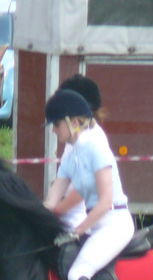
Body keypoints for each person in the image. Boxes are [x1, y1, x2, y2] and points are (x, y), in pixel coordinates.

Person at [43, 88, 134, 280]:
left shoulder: (95, 146)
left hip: (115, 223)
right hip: (97, 225)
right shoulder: (72, 152)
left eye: (56, 125)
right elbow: (53, 199)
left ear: (72, 122)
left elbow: (105, 201)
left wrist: (77, 231)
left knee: (77, 274)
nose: (54, 131)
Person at [51, 74, 106, 230]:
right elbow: (62, 181)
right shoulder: (74, 140)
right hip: (67, 218)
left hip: (77, 221)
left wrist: (57, 209)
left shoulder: (91, 139)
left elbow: (83, 189)